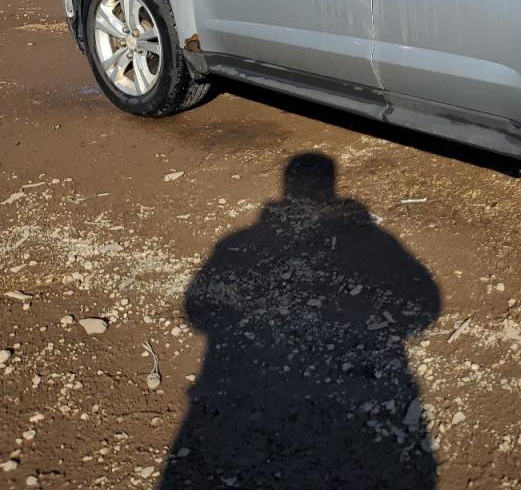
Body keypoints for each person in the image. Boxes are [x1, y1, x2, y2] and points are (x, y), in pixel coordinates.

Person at [161, 152, 440, 489]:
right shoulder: (372, 239)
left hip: (241, 389)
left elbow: (195, 309)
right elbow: (427, 301)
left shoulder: (236, 243)